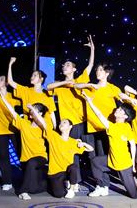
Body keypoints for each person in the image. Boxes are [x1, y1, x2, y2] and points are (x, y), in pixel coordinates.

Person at [81, 90, 137, 199]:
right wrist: (133, 162)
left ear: (125, 116)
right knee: (95, 162)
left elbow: (99, 114)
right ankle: (102, 187)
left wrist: (132, 164)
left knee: (134, 194)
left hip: (123, 165)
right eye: (119, 108)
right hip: (111, 160)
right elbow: (132, 145)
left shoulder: (114, 127)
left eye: (120, 110)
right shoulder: (126, 126)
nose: (117, 109)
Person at [45, 34, 95, 190]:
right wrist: (66, 83)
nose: (64, 66)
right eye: (63, 65)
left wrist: (92, 49)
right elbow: (48, 87)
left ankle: (99, 182)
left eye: (67, 65)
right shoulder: (60, 85)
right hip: (69, 125)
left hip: (83, 123)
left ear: (74, 69)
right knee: (72, 154)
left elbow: (90, 65)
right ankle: (75, 182)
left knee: (90, 153)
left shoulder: (80, 79)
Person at [0, 92, 49, 200]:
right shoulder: (24, 123)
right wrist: (3, 98)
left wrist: (32, 108)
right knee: (34, 189)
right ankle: (45, 183)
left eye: (34, 110)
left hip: (40, 157)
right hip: (26, 159)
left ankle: (22, 191)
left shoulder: (44, 125)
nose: (31, 111)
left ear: (40, 113)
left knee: (32, 163)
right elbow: (12, 112)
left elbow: (42, 122)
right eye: (31, 110)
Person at [36, 114, 95, 198]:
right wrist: (34, 110)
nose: (61, 124)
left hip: (67, 171)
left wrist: (84, 143)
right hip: (55, 173)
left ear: (70, 127)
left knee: (73, 167)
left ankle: (72, 189)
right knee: (59, 194)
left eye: (64, 122)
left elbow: (91, 149)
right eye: (60, 123)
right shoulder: (53, 136)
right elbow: (44, 123)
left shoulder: (73, 142)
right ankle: (62, 183)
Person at [74, 63, 122, 157]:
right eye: (97, 70)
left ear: (107, 73)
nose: (97, 72)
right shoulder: (91, 88)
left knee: (109, 154)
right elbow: (75, 86)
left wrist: (129, 98)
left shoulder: (112, 88)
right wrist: (91, 84)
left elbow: (121, 95)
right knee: (97, 156)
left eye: (100, 70)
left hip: (107, 126)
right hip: (94, 127)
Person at [7, 56, 56, 128]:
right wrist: (10, 64)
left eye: (35, 75)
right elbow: (10, 82)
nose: (32, 77)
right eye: (32, 75)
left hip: (44, 127)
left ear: (41, 79)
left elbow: (51, 113)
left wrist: (54, 127)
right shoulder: (26, 90)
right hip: (30, 127)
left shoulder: (47, 94)